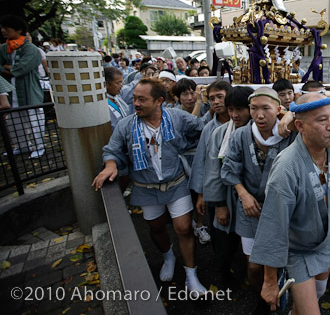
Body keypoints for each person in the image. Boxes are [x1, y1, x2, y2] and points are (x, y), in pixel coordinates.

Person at [92, 78, 209, 297]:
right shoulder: (127, 125)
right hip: (145, 187)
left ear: (159, 101)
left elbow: (202, 128)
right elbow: (112, 149)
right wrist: (110, 164)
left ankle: (192, 275)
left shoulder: (176, 117)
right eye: (134, 98)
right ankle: (168, 257)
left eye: (141, 99)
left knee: (183, 227)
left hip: (176, 183)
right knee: (156, 227)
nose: (135, 103)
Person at [252, 93, 330, 314]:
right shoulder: (287, 166)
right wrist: (270, 281)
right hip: (298, 251)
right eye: (322, 120)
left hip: (326, 244)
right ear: (300, 126)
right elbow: (273, 226)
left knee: (315, 297)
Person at [221, 87, 296, 313]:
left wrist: (293, 114)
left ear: (279, 110)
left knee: (284, 261)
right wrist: (243, 195)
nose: (259, 115)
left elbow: (320, 115)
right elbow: (228, 169)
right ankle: (263, 299)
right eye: (254, 108)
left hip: (284, 211)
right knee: (254, 266)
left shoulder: (291, 134)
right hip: (251, 208)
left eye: (266, 108)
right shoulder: (241, 135)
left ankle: (285, 298)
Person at [201, 86, 254, 287]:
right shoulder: (220, 133)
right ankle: (225, 273)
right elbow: (213, 172)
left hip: (252, 197)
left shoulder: (260, 132)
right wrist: (220, 204)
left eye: (240, 109)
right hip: (228, 198)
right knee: (225, 241)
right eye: (231, 109)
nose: (234, 114)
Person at [188, 81, 232, 245]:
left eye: (220, 97)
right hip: (216, 187)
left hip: (239, 189)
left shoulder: (245, 122)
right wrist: (201, 194)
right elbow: (202, 162)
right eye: (212, 98)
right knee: (220, 235)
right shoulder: (209, 128)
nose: (216, 102)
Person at [0, 15, 45, 158]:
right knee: (14, 122)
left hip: (29, 91)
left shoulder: (31, 49)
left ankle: (39, 146)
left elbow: (19, 69)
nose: (3, 31)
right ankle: (22, 146)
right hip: (11, 92)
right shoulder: (4, 48)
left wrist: (7, 68)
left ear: (18, 30)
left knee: (34, 119)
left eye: (7, 28)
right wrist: (6, 68)